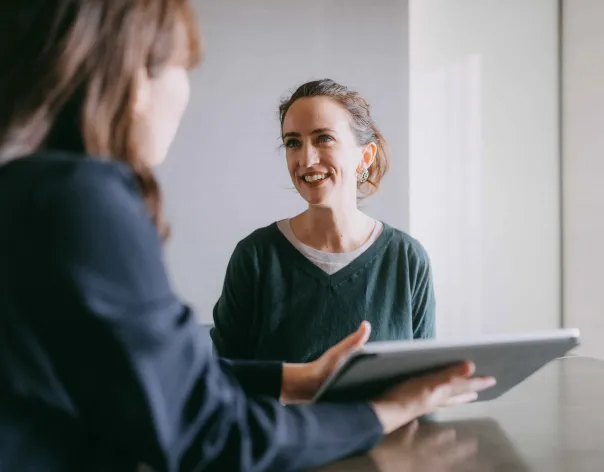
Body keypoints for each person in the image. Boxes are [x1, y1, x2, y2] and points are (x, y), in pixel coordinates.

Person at [0, 1, 496, 471]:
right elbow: (205, 429)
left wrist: (298, 378)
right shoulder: (83, 201)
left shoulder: (32, 186)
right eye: (183, 66)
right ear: (135, 79)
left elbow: (149, 383)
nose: (306, 159)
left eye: (324, 139)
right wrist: (381, 414)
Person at [211, 79, 435, 363]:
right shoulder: (255, 256)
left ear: (365, 156)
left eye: (323, 138)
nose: (306, 158)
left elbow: (424, 384)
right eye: (293, 143)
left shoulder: (406, 258)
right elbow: (221, 379)